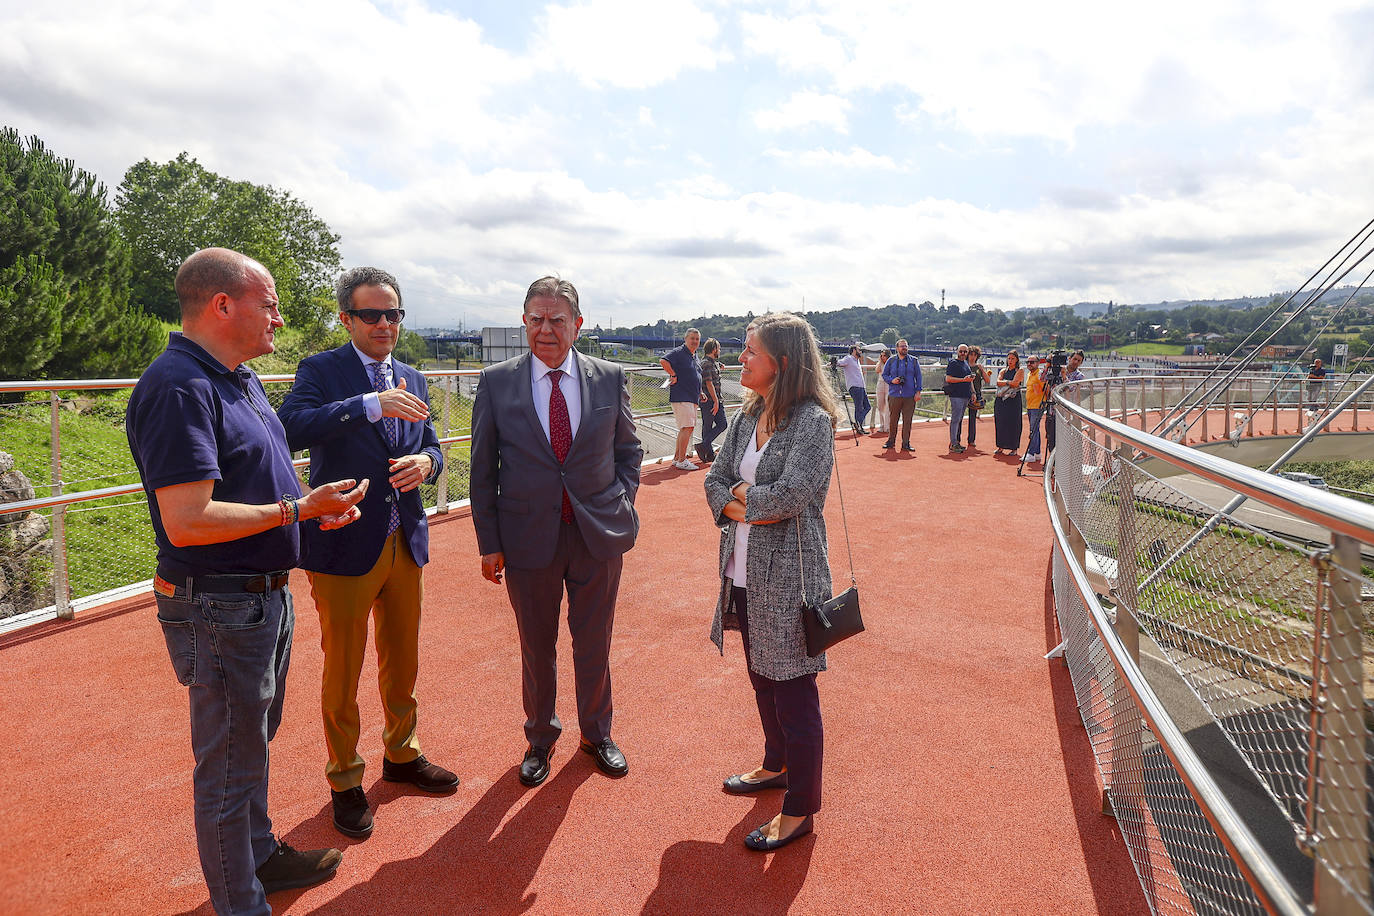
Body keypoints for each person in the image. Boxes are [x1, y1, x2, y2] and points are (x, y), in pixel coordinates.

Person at [126, 248, 368, 916]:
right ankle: (241, 904)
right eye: (270, 302)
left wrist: (312, 507)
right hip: (218, 605)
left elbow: (263, 476)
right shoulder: (180, 386)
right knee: (228, 766)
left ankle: (261, 855)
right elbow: (188, 520)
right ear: (222, 305)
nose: (280, 319)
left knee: (252, 741)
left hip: (262, 597)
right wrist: (296, 510)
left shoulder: (241, 378)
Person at [278, 266, 457, 840]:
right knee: (344, 667)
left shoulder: (413, 376)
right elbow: (292, 427)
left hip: (406, 538)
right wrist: (368, 404)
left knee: (403, 658)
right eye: (372, 315)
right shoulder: (321, 370)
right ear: (346, 318)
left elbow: (430, 440)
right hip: (346, 539)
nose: (385, 324)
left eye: (394, 314)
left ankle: (401, 754)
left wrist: (428, 463)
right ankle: (345, 779)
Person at [470, 276, 643, 788]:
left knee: (595, 642)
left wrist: (620, 503)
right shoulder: (498, 381)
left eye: (557, 319)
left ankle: (597, 733)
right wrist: (490, 542)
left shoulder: (609, 377)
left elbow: (628, 453)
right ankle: (540, 739)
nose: (546, 330)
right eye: (536, 319)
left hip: (598, 537)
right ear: (525, 321)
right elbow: (483, 470)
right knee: (536, 646)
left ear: (578, 324)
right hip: (527, 541)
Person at [703, 312, 840, 852]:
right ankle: (776, 763)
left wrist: (740, 502)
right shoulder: (749, 413)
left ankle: (800, 808)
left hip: (789, 579)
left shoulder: (812, 422)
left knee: (794, 692)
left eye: (750, 350)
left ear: (781, 363)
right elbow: (714, 482)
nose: (742, 357)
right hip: (740, 571)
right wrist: (740, 504)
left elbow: (789, 498)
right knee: (762, 677)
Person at [661, 328, 703, 470]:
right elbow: (663, 361)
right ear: (685, 339)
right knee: (687, 427)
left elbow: (696, 375)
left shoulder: (695, 355)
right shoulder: (679, 352)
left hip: (692, 396)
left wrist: (700, 392)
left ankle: (677, 458)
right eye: (692, 338)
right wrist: (673, 374)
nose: (695, 341)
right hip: (682, 395)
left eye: (697, 339)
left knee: (686, 428)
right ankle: (681, 460)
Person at [881, 339, 922, 451]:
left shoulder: (914, 361)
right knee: (893, 419)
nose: (904, 348)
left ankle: (906, 443)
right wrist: (892, 380)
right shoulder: (891, 360)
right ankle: (891, 441)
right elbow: (884, 375)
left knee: (907, 420)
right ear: (897, 348)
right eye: (902, 346)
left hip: (909, 395)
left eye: (906, 346)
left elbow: (918, 377)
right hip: (894, 395)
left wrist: (918, 391)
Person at [1045, 350, 1085, 457]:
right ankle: (1052, 465)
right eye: (1074, 359)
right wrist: (1048, 365)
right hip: (1052, 410)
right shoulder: (1056, 370)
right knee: (1051, 438)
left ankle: (1061, 464)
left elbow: (1070, 388)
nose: (1075, 362)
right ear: (1069, 359)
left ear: (1081, 363)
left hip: (1066, 413)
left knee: (1063, 440)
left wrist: (1063, 376)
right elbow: (1042, 378)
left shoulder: (1079, 376)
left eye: (1078, 360)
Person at [696, 337, 727, 462]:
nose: (720, 351)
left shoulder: (711, 363)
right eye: (719, 348)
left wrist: (719, 366)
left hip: (713, 400)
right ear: (714, 349)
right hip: (710, 401)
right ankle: (706, 450)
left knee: (711, 426)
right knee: (719, 425)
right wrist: (715, 401)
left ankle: (706, 450)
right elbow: (709, 384)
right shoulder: (707, 364)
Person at [943, 344, 974, 453]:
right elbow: (948, 378)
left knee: (958, 419)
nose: (963, 354)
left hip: (965, 395)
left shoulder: (966, 363)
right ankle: (953, 443)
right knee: (955, 420)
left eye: (965, 352)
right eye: (961, 351)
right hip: (956, 395)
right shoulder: (953, 363)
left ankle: (955, 442)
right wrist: (962, 380)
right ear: (957, 351)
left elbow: (970, 380)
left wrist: (973, 392)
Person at [993, 349, 1024, 455]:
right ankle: (1000, 446)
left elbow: (1016, 383)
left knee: (1014, 422)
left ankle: (1014, 447)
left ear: (1017, 360)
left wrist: (1005, 383)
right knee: (1000, 422)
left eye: (1013, 359)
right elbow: (997, 381)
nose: (1010, 360)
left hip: (1013, 400)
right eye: (1009, 358)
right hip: (1001, 400)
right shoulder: (1003, 370)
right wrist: (1008, 382)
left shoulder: (1020, 370)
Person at [836, 344, 870, 434]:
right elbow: (840, 362)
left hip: (861, 386)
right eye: (859, 350)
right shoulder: (849, 358)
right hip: (855, 387)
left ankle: (858, 424)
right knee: (859, 407)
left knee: (867, 406)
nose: (861, 351)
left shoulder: (857, 361)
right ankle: (859, 426)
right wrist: (833, 362)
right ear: (854, 350)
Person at [964, 345, 991, 449]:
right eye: (971, 354)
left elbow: (987, 380)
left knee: (972, 418)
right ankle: (956, 439)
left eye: (975, 355)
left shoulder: (978, 367)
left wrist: (982, 370)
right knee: (959, 417)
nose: (973, 357)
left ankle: (971, 440)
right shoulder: (964, 365)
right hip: (964, 393)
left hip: (976, 394)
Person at [1023, 356, 1047, 463]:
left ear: (1038, 363)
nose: (1029, 364)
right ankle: (1037, 453)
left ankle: (1031, 453)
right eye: (1028, 362)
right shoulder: (1029, 374)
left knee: (1033, 430)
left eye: (1032, 362)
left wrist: (1044, 402)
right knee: (1035, 429)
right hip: (1030, 405)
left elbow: (1046, 388)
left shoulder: (1039, 375)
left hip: (1037, 406)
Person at [873, 348, 891, 436]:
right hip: (880, 384)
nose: (883, 357)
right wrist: (880, 361)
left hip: (888, 385)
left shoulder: (891, 363)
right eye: (881, 355)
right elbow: (877, 370)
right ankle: (882, 425)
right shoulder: (880, 364)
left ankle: (887, 426)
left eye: (884, 355)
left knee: (888, 405)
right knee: (880, 406)